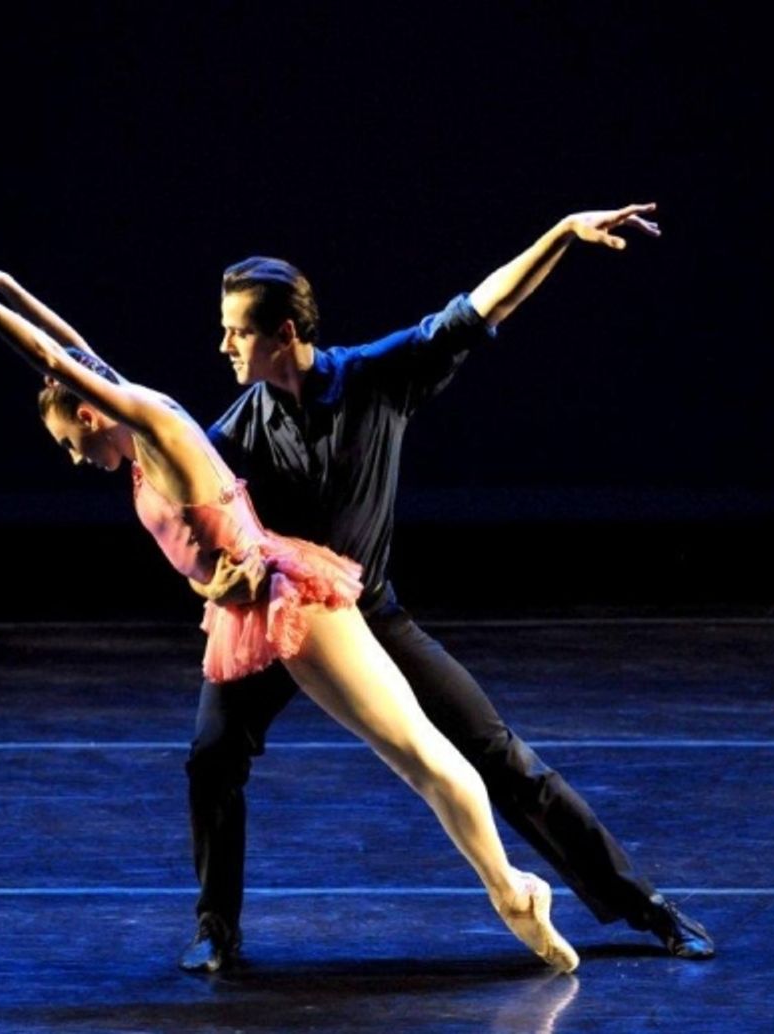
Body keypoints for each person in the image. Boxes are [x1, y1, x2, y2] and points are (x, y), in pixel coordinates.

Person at [0, 272, 580, 974]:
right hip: (253, 609)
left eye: (71, 440)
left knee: (419, 753)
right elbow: (73, 350)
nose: (75, 458)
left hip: (295, 601)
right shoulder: (138, 435)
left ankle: (514, 891)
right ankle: (500, 890)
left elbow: (57, 360)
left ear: (94, 413)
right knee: (388, 756)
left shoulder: (156, 427)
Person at [183, 202, 716, 971]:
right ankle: (215, 930)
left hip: (371, 619)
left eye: (237, 329)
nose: (223, 343)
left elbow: (476, 309)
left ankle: (645, 907)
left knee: (501, 757)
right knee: (212, 757)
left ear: (285, 335)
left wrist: (561, 233)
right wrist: (216, 585)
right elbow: (194, 532)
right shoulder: (232, 434)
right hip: (278, 626)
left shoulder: (372, 379)